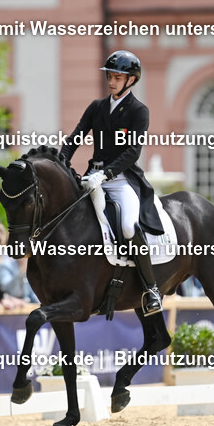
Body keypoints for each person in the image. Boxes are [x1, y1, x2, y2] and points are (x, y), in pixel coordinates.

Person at [59, 50, 165, 316]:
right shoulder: (97, 107)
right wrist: (61, 161)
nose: (111, 81)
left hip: (120, 180)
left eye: (117, 77)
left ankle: (151, 289)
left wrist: (106, 174)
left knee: (129, 226)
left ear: (131, 80)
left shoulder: (139, 111)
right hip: (92, 178)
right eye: (110, 76)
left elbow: (132, 152)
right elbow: (76, 136)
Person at [0, 222, 37, 303]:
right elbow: (9, 291)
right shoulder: (5, 266)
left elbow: (34, 295)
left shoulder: (32, 268)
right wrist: (21, 270)